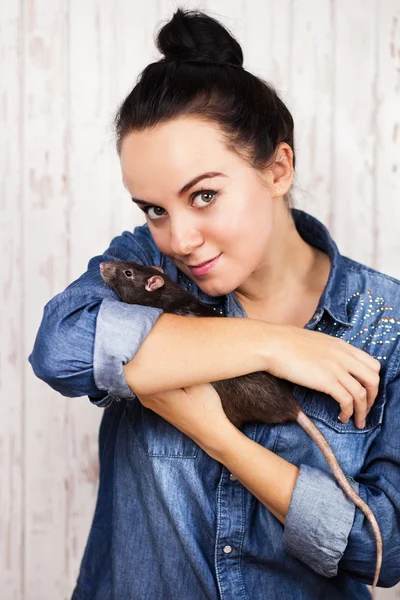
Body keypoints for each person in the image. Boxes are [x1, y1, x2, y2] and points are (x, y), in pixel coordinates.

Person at [28, 7, 400, 600]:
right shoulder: (148, 266)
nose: (179, 240)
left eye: (203, 195)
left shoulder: (385, 323)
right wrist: (275, 344)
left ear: (277, 169)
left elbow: (383, 551)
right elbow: (60, 349)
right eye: (154, 209)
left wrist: (219, 437)